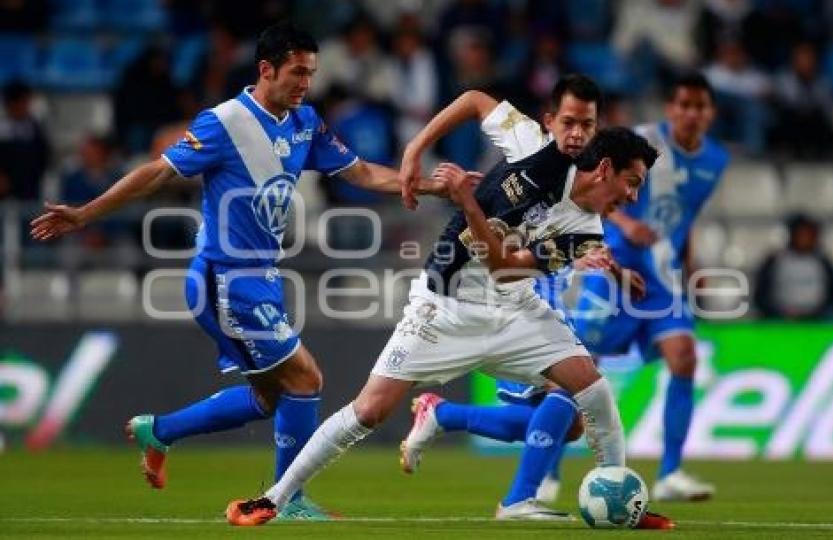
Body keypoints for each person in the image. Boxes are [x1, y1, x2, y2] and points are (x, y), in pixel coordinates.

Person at [30, 20, 444, 520]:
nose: (304, 83)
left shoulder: (304, 122)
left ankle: (160, 430)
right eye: (296, 72)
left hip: (259, 279)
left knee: (271, 397)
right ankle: (287, 500)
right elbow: (156, 173)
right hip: (224, 278)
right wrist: (84, 213)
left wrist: (430, 186)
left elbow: (359, 172)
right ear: (266, 69)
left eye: (310, 73)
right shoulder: (224, 122)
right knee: (305, 379)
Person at [225, 122, 669, 527]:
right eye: (631, 183)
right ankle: (273, 499)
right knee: (370, 411)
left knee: (592, 387)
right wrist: (417, 147)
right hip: (444, 307)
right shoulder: (541, 155)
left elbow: (504, 270)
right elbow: (476, 99)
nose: (632, 197)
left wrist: (468, 201)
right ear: (605, 168)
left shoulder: (588, 233)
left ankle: (619, 494)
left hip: (514, 309)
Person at [398, 74, 603, 520]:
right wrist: (415, 149)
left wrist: (607, 260)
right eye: (569, 122)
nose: (577, 133)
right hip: (502, 295)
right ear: (551, 122)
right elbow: (473, 98)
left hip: (535, 289)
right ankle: (519, 499)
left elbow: (590, 224)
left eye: (586, 124)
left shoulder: (588, 174)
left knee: (566, 421)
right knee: (569, 394)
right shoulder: (528, 138)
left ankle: (444, 416)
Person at [568, 73, 728, 501]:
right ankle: (542, 475)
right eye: (684, 105)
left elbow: (685, 216)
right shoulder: (642, 143)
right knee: (576, 372)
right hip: (615, 266)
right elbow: (594, 186)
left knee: (684, 357)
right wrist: (623, 221)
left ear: (710, 113)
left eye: (700, 106)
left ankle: (671, 473)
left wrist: (692, 264)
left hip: (662, 277)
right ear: (671, 109)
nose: (692, 114)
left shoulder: (716, 160)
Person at [754, 213, 833, 320]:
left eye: (809, 235)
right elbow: (761, 295)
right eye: (801, 234)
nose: (804, 239)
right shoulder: (775, 261)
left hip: (818, 320)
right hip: (781, 320)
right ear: (792, 235)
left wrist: (815, 312)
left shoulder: (824, 263)